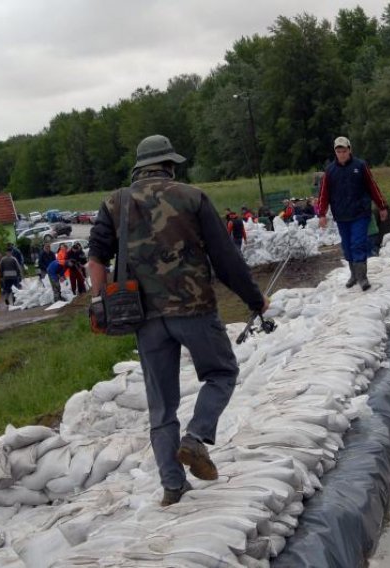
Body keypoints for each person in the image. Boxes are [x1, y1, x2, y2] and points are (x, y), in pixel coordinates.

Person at [87, 134, 268, 507]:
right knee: (221, 373)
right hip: (194, 308)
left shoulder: (114, 202)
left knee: (161, 405)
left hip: (143, 316)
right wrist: (254, 300)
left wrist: (97, 303)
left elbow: (96, 259)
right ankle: (197, 437)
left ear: (140, 167)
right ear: (170, 164)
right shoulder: (192, 197)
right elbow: (225, 258)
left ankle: (173, 485)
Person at [318, 136, 389, 291]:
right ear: (335, 152)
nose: (341, 154)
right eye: (338, 151)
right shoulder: (330, 171)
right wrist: (321, 214)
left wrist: (382, 206)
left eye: (344, 151)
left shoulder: (360, 166)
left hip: (360, 213)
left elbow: (372, 187)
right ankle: (353, 274)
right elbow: (323, 194)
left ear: (349, 150)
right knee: (347, 246)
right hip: (342, 215)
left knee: (358, 243)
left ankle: (362, 277)